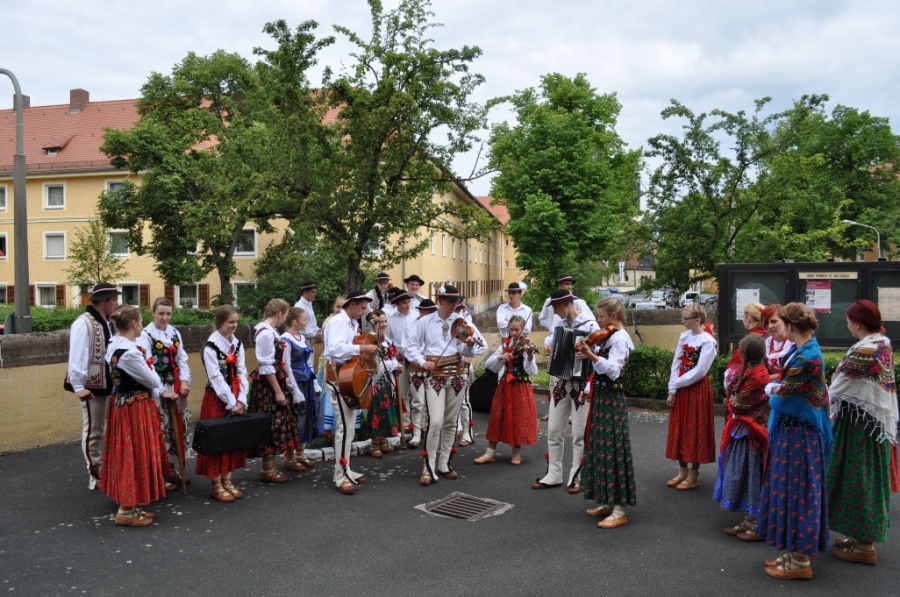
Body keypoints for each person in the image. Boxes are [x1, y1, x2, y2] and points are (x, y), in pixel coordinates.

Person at [758, 302, 831, 580]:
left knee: (799, 491)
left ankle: (801, 561)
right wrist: (777, 389)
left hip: (800, 435)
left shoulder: (808, 357)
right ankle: (792, 551)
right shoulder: (803, 350)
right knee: (788, 489)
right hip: (793, 431)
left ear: (790, 325)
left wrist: (771, 390)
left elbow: (785, 395)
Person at [827, 300, 897, 565]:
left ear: (857, 323)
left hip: (860, 427)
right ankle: (860, 537)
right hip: (871, 423)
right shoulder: (883, 343)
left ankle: (865, 544)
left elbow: (839, 386)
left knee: (859, 479)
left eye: (848, 321)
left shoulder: (866, 350)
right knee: (862, 478)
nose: (847, 325)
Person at [100, 305, 176, 526]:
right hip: (135, 407)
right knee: (133, 453)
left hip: (122, 404)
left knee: (127, 451)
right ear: (133, 324)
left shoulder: (114, 345)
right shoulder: (130, 353)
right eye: (141, 321)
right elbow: (152, 380)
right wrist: (152, 373)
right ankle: (126, 511)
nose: (142, 325)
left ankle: (131, 505)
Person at [405, 285, 485, 486]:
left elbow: (475, 348)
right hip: (436, 376)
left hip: (457, 376)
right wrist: (422, 361)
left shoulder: (462, 322)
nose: (454, 305)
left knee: (451, 422)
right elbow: (410, 347)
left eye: (456, 302)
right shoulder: (424, 322)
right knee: (435, 421)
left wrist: (469, 345)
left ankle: (444, 464)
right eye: (450, 301)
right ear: (440, 301)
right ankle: (428, 467)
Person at [533, 289, 600, 493]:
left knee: (579, 433)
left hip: (581, 384)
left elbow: (599, 355)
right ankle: (553, 474)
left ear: (567, 304)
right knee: (554, 430)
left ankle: (577, 475)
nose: (554, 311)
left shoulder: (590, 326)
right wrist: (549, 345)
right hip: (560, 383)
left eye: (556, 307)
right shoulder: (560, 324)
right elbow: (552, 340)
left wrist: (589, 356)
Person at [577, 297, 636, 529]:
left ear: (613, 316)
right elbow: (598, 372)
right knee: (601, 449)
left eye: (601, 316)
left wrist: (591, 355)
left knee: (613, 451)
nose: (599, 320)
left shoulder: (620, 338)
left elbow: (613, 371)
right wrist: (588, 389)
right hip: (601, 397)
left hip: (612, 400)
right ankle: (607, 500)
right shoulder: (608, 336)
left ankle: (620, 510)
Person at [715, 335, 770, 541]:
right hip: (745, 430)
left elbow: (739, 405)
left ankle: (756, 524)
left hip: (751, 433)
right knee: (745, 475)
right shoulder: (755, 371)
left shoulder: (757, 376)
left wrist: (731, 400)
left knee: (751, 476)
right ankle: (748, 520)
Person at [323, 290, 377, 495]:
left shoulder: (351, 323)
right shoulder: (339, 322)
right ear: (351, 304)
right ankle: (340, 475)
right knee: (344, 429)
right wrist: (361, 350)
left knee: (349, 429)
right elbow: (335, 349)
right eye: (362, 308)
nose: (364, 312)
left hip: (346, 377)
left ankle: (346, 468)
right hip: (338, 378)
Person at [66, 282, 120, 489]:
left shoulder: (108, 322)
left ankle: (105, 469)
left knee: (105, 429)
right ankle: (95, 473)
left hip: (107, 384)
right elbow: (77, 354)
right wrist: (78, 385)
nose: (116, 303)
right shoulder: (84, 323)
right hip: (91, 386)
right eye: (113, 299)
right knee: (94, 430)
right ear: (103, 301)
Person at [196, 305, 249, 502]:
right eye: (230, 322)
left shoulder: (237, 344)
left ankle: (228, 480)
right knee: (217, 440)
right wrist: (231, 402)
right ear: (220, 323)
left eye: (236, 322)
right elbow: (216, 378)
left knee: (231, 439)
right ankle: (216, 484)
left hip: (235, 396)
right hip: (218, 399)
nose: (234, 325)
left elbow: (242, 371)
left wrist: (241, 399)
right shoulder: (211, 348)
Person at [137, 297, 191, 488]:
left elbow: (182, 359)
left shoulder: (174, 333)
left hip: (175, 386)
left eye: (168, 314)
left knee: (178, 428)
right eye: (161, 313)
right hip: (157, 388)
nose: (165, 318)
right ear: (153, 313)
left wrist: (184, 381)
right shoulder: (145, 335)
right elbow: (148, 365)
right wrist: (160, 390)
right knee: (161, 428)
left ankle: (173, 469)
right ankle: (160, 474)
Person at [247, 299, 303, 481]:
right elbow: (266, 365)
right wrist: (278, 391)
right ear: (280, 314)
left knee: (276, 424)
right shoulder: (265, 334)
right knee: (271, 424)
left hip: (274, 384)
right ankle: (267, 470)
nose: (284, 319)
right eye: (284, 315)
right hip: (268, 387)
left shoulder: (270, 332)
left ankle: (270, 467)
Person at [665, 303, 717, 490]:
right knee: (680, 427)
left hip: (697, 388)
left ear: (697, 320)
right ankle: (682, 472)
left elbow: (700, 371)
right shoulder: (684, 336)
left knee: (696, 428)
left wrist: (678, 383)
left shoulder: (708, 341)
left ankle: (693, 476)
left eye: (686, 318)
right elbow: (676, 364)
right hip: (681, 387)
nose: (683, 321)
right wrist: (672, 389)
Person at [475, 315, 538, 465]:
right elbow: (490, 365)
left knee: (518, 419)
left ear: (522, 329)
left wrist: (530, 355)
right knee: (497, 416)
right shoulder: (505, 343)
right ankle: (490, 453)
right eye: (511, 330)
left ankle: (516, 454)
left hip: (521, 387)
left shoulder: (527, 344)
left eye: (517, 330)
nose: (514, 333)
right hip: (504, 385)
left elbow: (532, 371)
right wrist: (500, 357)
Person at [282, 307, 322, 470]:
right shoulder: (286, 339)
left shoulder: (302, 338)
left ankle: (300, 453)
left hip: (307, 381)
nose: (306, 322)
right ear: (295, 322)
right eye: (304, 319)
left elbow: (309, 363)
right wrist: (295, 391)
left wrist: (315, 383)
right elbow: (286, 368)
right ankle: (289, 457)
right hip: (296, 383)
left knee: (308, 416)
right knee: (296, 418)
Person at [365, 309, 401, 458]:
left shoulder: (387, 340)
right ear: (373, 323)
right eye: (380, 322)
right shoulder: (370, 340)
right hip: (376, 381)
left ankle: (383, 441)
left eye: (385, 321)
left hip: (388, 380)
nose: (384, 324)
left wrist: (396, 364)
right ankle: (374, 444)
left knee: (388, 409)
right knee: (378, 411)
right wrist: (395, 365)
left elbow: (392, 358)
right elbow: (375, 365)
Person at [386, 290, 419, 446]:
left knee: (418, 391)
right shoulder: (391, 319)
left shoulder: (416, 316)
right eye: (403, 303)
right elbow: (389, 340)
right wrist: (395, 354)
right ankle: (405, 423)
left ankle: (420, 423)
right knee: (403, 390)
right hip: (400, 355)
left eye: (408, 302)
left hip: (416, 355)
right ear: (397, 304)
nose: (407, 305)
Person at [406, 298, 438, 448]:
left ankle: (427, 430)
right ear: (421, 312)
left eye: (431, 312)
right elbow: (408, 347)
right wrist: (421, 360)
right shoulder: (413, 326)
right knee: (418, 402)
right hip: (418, 368)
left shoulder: (437, 327)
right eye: (426, 312)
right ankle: (416, 433)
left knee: (432, 403)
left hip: (433, 369)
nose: (429, 315)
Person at [454, 300, 483, 447]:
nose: (455, 310)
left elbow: (482, 345)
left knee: (464, 400)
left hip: (461, 366)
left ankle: (467, 433)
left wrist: (469, 354)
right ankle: (456, 427)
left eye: (458, 307)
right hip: (445, 367)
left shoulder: (466, 324)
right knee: (450, 401)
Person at [317, 295, 347, 433]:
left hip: (344, 365)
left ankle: (342, 429)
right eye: (338, 306)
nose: (340, 310)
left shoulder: (347, 321)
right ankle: (331, 430)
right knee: (331, 397)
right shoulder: (330, 322)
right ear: (333, 307)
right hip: (330, 364)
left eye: (343, 307)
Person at [723, 302, 766, 389]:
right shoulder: (768, 336)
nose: (743, 319)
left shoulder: (748, 340)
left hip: (748, 383)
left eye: (743, 316)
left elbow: (733, 371)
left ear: (748, 318)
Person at [762, 304, 793, 381]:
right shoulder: (767, 342)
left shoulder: (792, 342)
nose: (770, 326)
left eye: (774, 321)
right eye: (766, 323)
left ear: (784, 321)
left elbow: (793, 372)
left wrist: (767, 378)